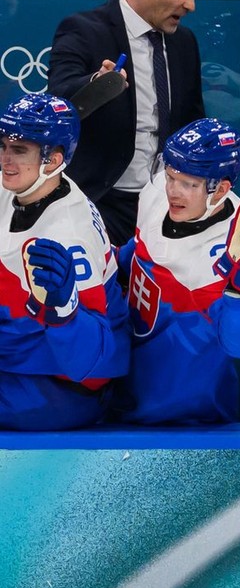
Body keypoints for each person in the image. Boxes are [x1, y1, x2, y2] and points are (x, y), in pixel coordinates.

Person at [113, 119, 240, 424]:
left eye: (189, 184)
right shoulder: (155, 195)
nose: (173, 192)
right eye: (171, 177)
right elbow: (136, 256)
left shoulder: (233, 248)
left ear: (221, 189)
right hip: (123, 384)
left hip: (184, 413)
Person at [47, 0, 207, 247]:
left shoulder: (184, 42)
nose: (191, 5)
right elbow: (57, 102)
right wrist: (97, 84)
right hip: (101, 203)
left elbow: (191, 121)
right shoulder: (83, 30)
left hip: (168, 207)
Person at [0, 94, 129, 430]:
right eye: (4, 146)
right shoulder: (22, 187)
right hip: (21, 360)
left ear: (53, 160)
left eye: (20, 150)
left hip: (63, 388)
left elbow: (92, 369)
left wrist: (65, 314)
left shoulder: (70, 236)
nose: (6, 160)